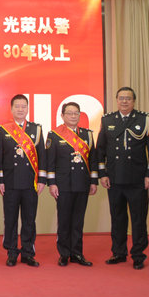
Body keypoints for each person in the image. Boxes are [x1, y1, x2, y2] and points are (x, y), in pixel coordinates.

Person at [96, 87, 149, 270]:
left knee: (138, 219)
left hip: (137, 179)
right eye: (121, 98)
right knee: (117, 218)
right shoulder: (107, 120)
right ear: (116, 100)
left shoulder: (145, 119)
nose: (124, 101)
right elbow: (100, 149)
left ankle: (138, 255)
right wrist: (102, 174)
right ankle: (118, 252)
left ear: (134, 101)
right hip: (114, 178)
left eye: (128, 98)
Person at [0, 94, 47, 267]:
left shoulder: (36, 129)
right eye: (17, 106)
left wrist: (42, 179)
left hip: (30, 182)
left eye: (23, 106)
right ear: (11, 109)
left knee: (29, 219)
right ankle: (11, 252)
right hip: (10, 182)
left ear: (27, 108)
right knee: (10, 219)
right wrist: (0, 180)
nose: (20, 109)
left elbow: (42, 156)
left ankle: (28, 253)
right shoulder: (3, 130)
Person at [46, 101, 98, 267]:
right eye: (69, 113)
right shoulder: (54, 135)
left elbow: (93, 160)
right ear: (62, 115)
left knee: (78, 221)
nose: (73, 116)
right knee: (64, 220)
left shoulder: (87, 135)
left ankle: (77, 253)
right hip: (63, 184)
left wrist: (93, 181)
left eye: (76, 113)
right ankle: (64, 254)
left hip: (82, 183)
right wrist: (52, 183)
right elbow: (50, 162)